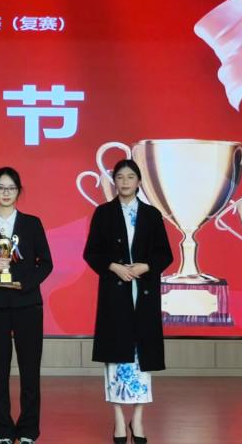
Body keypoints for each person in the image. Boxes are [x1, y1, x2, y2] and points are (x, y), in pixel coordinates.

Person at [82, 159, 174, 444]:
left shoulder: (151, 214)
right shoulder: (103, 213)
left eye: (130, 177)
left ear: (139, 181)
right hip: (115, 294)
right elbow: (91, 252)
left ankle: (139, 419)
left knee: (141, 359)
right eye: (120, 177)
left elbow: (165, 254)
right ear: (114, 181)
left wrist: (146, 266)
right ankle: (120, 421)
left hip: (143, 294)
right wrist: (114, 267)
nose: (124, 182)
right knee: (116, 358)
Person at [0, 167, 54, 444]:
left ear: (18, 191)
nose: (5, 193)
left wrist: (25, 284)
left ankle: (28, 430)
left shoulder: (32, 223)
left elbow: (46, 263)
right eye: (0, 187)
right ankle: (3, 431)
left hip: (27, 304)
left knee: (30, 370)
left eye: (11, 188)